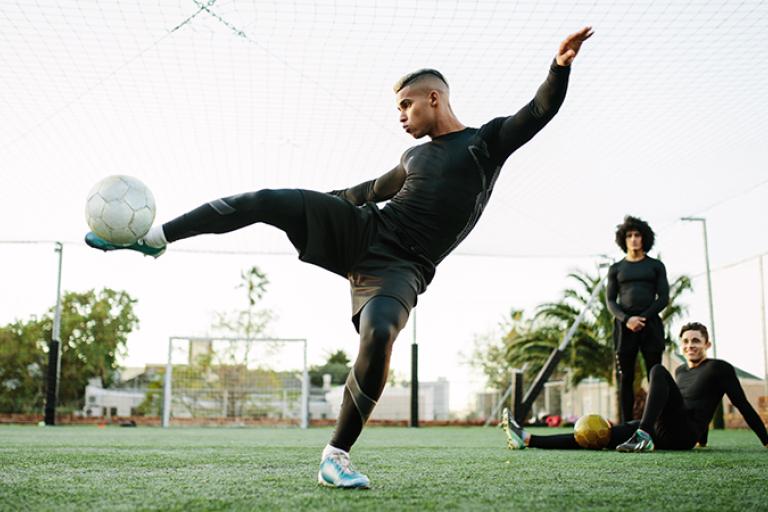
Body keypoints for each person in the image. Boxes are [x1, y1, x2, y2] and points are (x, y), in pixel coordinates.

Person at [85, 26, 594, 488]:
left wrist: (559, 67)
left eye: (406, 105)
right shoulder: (413, 156)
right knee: (267, 199)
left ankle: (335, 456)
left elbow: (539, 110)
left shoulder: (485, 143)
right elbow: (368, 191)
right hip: (365, 229)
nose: (400, 115)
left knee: (378, 334)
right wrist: (318, 205)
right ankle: (157, 236)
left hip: (401, 268)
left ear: (434, 98)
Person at [501, 322, 768, 452]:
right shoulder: (681, 370)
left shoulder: (719, 368)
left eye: (696, 341)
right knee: (600, 434)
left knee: (656, 370)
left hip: (682, 433)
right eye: (685, 341)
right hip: (662, 429)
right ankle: (526, 439)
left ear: (707, 344)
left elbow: (741, 404)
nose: (690, 345)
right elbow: (682, 400)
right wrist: (704, 441)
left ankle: (642, 436)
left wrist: (766, 441)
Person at [606, 216, 669, 422]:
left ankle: (657, 423)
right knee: (626, 378)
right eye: (629, 235)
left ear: (644, 239)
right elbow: (610, 301)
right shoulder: (616, 269)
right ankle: (626, 425)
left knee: (655, 376)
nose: (633, 239)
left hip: (650, 325)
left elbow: (664, 298)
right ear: (623, 240)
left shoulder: (656, 266)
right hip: (625, 328)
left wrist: (642, 318)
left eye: (637, 235)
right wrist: (627, 319)